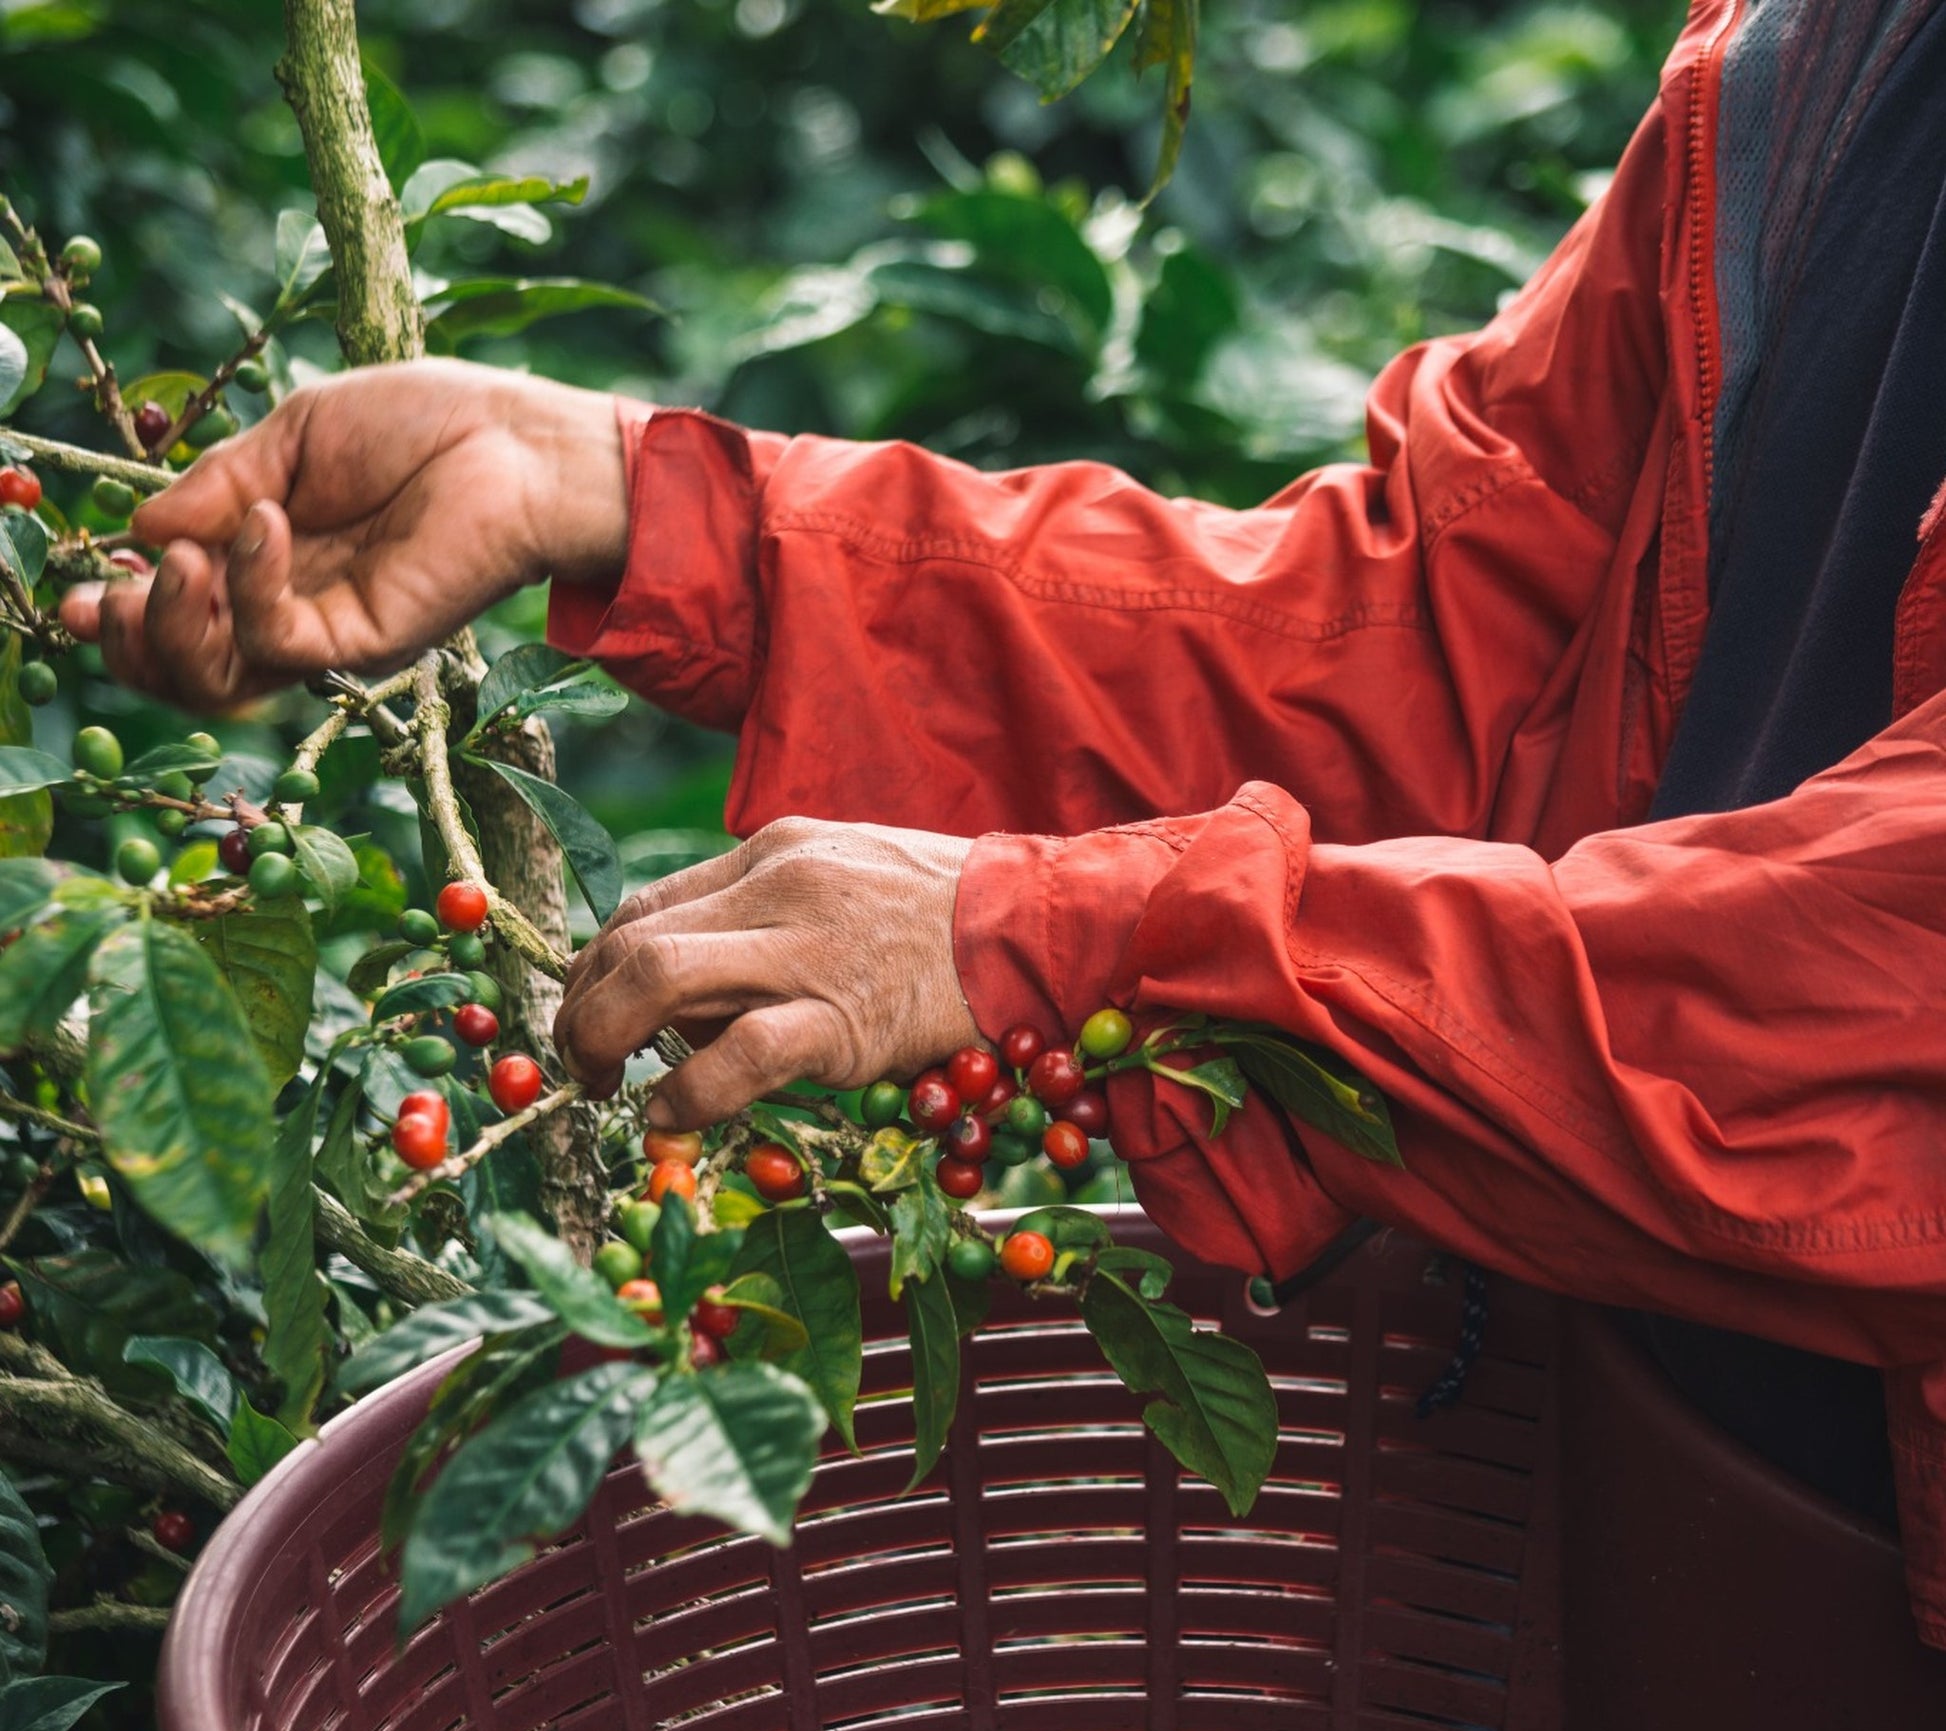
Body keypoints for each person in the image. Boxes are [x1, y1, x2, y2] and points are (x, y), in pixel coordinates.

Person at [58, 0, 1946, 1645]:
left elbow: (1885, 987)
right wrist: (650, 506)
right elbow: (1430, 648)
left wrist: (1078, 928)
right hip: (1644, 1514)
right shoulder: (1808, 56)